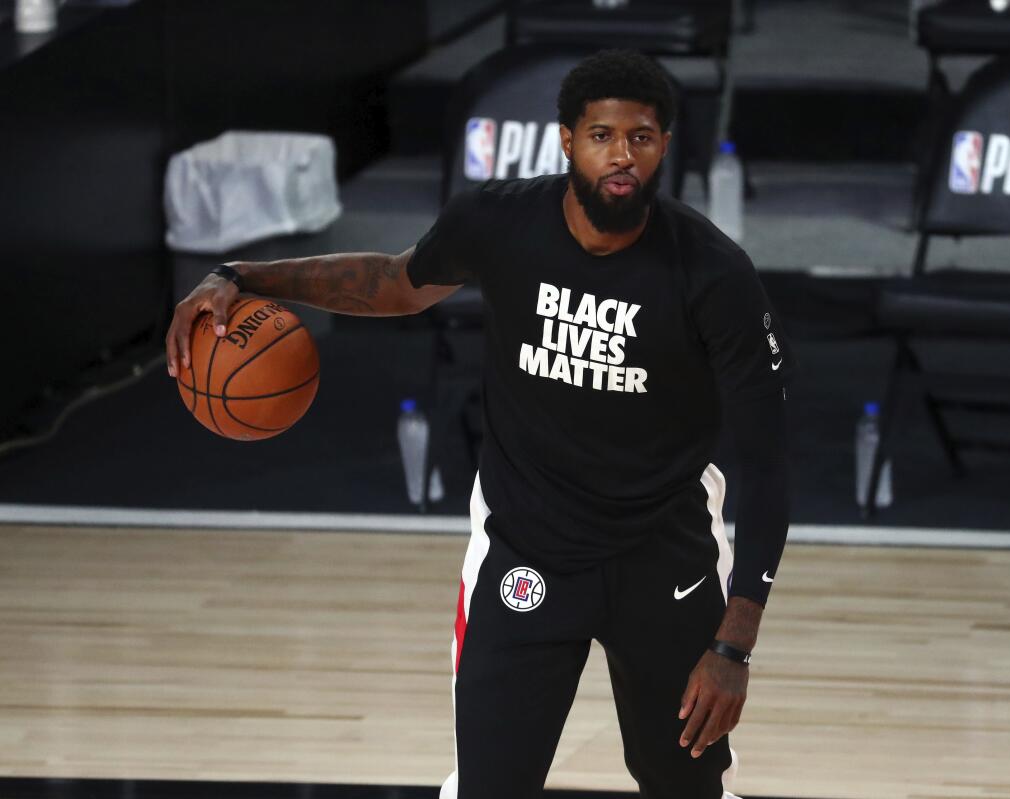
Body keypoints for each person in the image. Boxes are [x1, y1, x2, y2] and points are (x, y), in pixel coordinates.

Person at [166, 49, 792, 799]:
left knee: (685, 786)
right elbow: (395, 284)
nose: (622, 156)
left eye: (642, 137)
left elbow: (768, 459)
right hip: (526, 553)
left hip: (666, 557)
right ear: (567, 140)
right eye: (602, 135)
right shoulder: (500, 222)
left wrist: (735, 643)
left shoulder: (713, 273)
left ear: (663, 147)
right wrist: (246, 275)